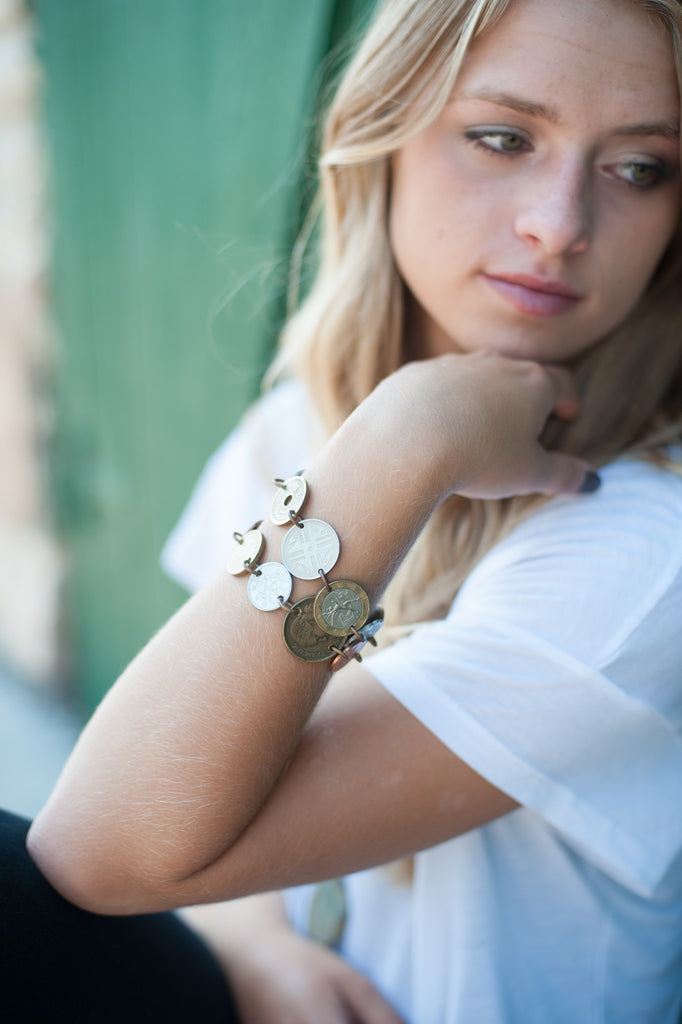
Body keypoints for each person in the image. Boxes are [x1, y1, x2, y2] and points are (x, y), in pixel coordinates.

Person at [6, 0, 682, 1020]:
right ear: (384, 130)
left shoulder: (646, 550)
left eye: (639, 168)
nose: (559, 226)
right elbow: (161, 756)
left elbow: (102, 841)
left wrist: (409, 442)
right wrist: (246, 943)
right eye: (501, 138)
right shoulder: (310, 427)